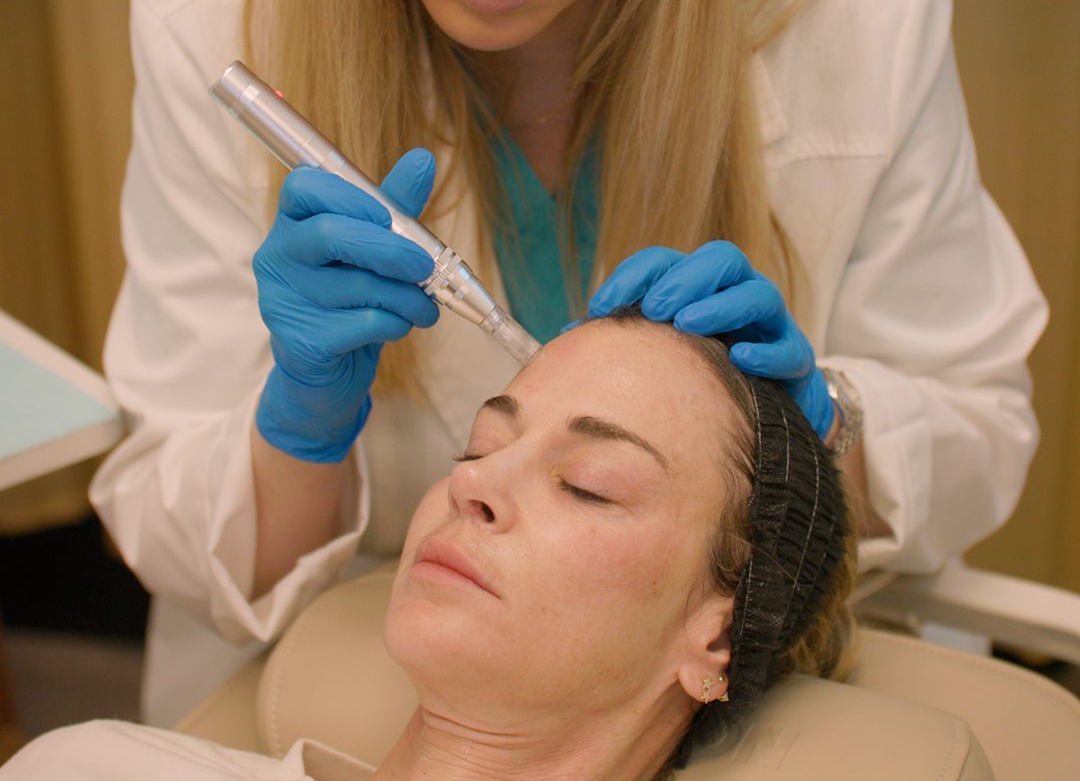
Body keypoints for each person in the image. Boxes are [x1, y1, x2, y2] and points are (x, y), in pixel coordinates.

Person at [89, 0, 1046, 725]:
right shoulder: (213, 28)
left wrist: (821, 436)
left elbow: (981, 430)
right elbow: (179, 541)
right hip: (361, 680)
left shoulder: (863, 5)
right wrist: (300, 427)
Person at [5, 312, 856, 779]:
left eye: (589, 483)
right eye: (480, 447)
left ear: (716, 629)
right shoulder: (89, 767)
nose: (472, 485)